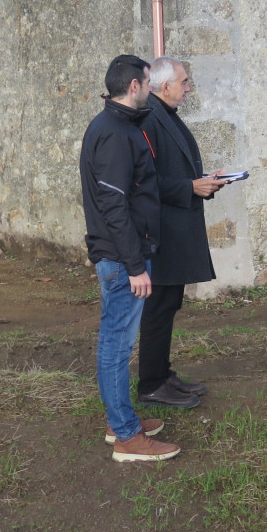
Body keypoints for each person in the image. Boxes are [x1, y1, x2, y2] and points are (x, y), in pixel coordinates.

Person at [79, 54, 179, 463]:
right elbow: (114, 204)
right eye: (148, 83)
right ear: (134, 87)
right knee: (117, 346)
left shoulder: (115, 126)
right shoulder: (115, 134)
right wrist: (136, 265)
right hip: (123, 259)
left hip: (122, 255)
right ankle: (125, 437)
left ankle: (121, 421)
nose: (152, 90)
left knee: (115, 342)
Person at [137, 56, 227, 409]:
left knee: (168, 303)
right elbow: (144, 181)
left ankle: (162, 374)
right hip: (161, 231)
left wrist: (204, 182)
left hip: (174, 228)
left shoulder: (164, 114)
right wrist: (190, 187)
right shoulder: (149, 118)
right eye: (185, 81)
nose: (189, 88)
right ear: (164, 86)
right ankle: (150, 384)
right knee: (158, 307)